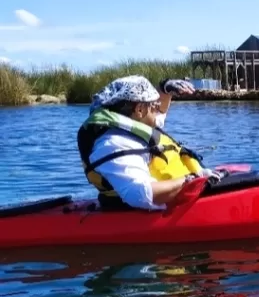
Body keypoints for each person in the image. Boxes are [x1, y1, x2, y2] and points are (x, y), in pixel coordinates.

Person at [77, 75, 224, 211]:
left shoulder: (135, 124)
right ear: (140, 109)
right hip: (143, 214)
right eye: (154, 104)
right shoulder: (113, 144)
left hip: (184, 194)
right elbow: (141, 194)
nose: (158, 107)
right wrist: (192, 179)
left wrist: (165, 88)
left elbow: (158, 116)